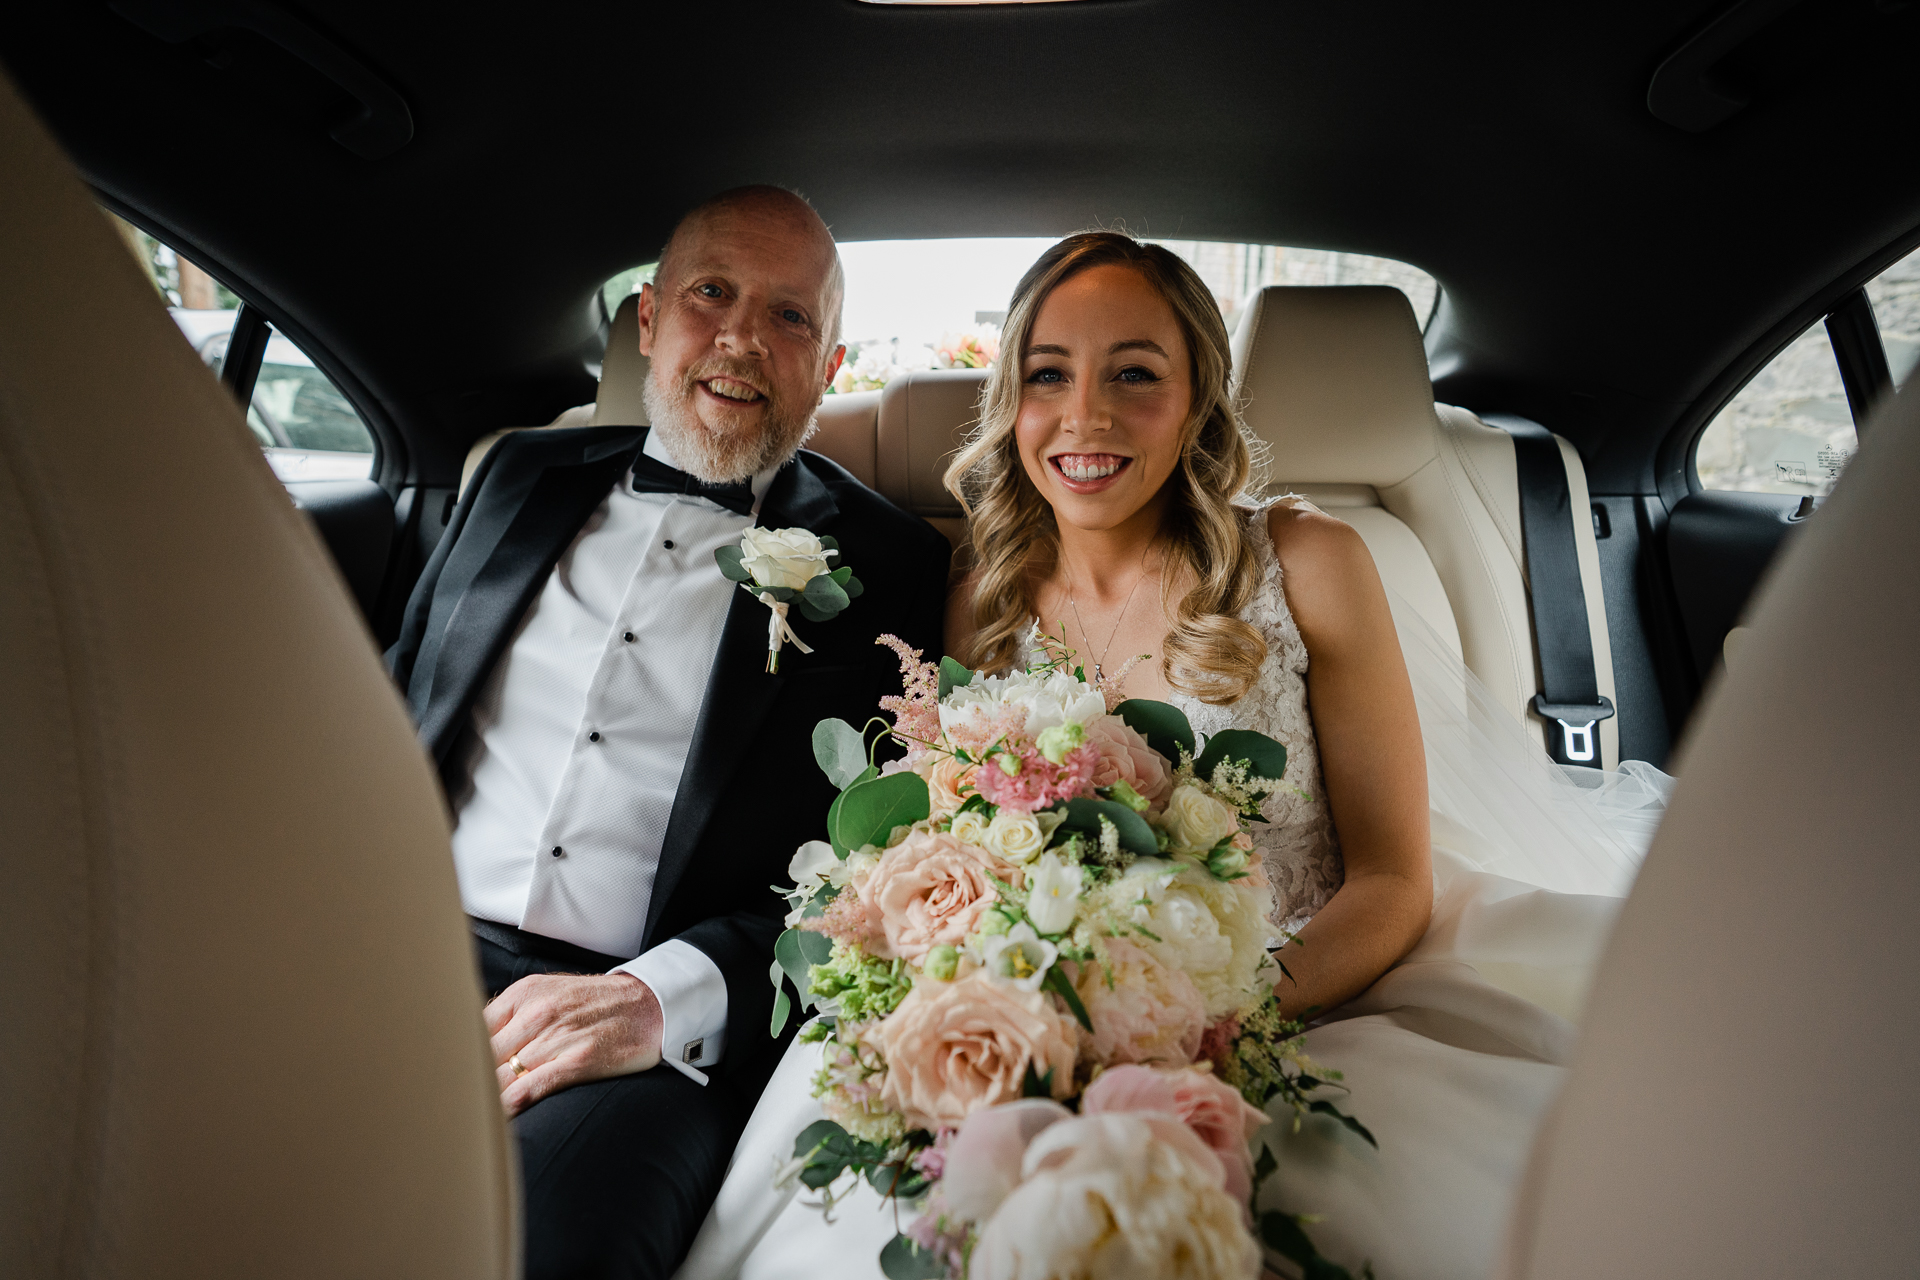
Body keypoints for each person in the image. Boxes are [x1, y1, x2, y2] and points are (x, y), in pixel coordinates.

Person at [674, 232, 1669, 1280]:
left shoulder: (1310, 561)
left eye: (1136, 375)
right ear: (1012, 399)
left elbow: (1391, 877)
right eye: (1049, 375)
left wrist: (1212, 1021)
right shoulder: (982, 597)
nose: (1085, 416)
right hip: (1054, 1012)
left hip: (1316, 997)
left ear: (1199, 401)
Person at [385, 186, 952, 1280]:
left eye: (793, 317)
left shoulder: (897, 567)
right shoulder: (512, 476)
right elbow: (387, 715)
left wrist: (663, 996)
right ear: (647, 320)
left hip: (647, 1015)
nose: (743, 336)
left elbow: (880, 868)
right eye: (712, 292)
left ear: (830, 369)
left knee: (547, 1245)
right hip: (396, 942)